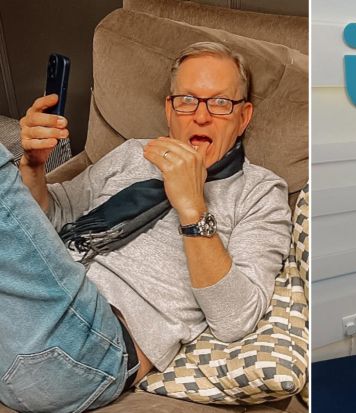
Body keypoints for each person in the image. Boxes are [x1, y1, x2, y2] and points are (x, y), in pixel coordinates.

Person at [0, 42, 291, 413]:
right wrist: (34, 169)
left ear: (244, 116)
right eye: (187, 100)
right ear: (170, 111)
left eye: (220, 103)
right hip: (24, 315)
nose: (201, 117)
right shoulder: (135, 153)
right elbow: (52, 218)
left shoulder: (260, 192)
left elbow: (236, 319)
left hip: (87, 352)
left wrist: (192, 206)